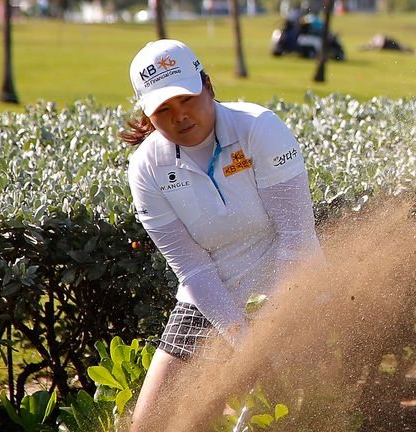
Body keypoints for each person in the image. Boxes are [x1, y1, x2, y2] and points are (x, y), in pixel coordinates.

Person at [119, 39, 323, 431]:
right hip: (210, 299)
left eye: (186, 99)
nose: (179, 116)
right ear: (148, 114)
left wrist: (270, 330)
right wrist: (244, 343)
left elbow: (296, 237)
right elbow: (192, 270)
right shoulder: (146, 168)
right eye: (163, 109)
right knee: (149, 426)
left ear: (207, 86)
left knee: (294, 418)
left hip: (293, 292)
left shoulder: (259, 129)